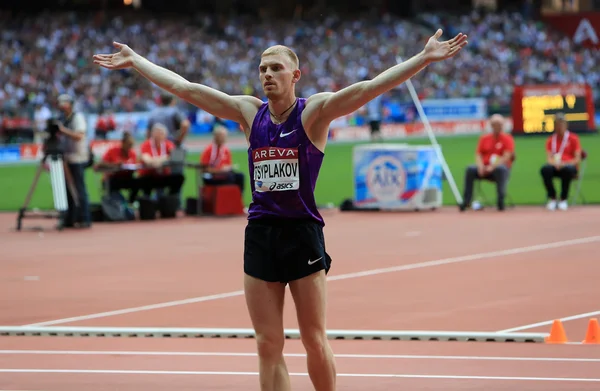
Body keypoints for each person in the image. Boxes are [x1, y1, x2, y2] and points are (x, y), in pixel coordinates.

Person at [93, 29, 467, 391]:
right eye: (262, 69)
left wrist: (423, 58)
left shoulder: (314, 113)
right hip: (260, 234)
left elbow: (368, 90)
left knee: (314, 340)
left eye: (275, 68)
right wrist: (137, 61)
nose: (267, 75)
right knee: (267, 343)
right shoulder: (248, 112)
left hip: (302, 233)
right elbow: (187, 89)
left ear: (295, 75)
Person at [459, 114, 515, 211]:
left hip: (498, 169)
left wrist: (492, 167)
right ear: (491, 125)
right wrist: (480, 166)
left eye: (499, 124)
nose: (497, 127)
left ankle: (500, 201)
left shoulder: (508, 139)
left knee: (501, 169)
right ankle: (466, 201)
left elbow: (507, 156)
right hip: (484, 168)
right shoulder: (484, 138)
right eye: (495, 124)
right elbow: (478, 154)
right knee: (470, 169)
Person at [56, 93, 92, 229]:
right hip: (66, 158)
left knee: (79, 188)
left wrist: (63, 131)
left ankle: (85, 218)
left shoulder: (78, 118)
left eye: (64, 103)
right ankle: (70, 218)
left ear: (70, 104)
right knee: (67, 189)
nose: (61, 106)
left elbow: (79, 136)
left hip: (78, 157)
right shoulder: (62, 119)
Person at [540, 113, 582, 211]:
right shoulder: (551, 140)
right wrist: (555, 164)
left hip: (569, 166)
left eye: (561, 124)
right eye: (557, 124)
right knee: (545, 170)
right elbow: (549, 157)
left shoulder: (573, 138)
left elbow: (577, 158)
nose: (559, 127)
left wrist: (565, 163)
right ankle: (553, 198)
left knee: (567, 170)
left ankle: (563, 199)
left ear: (566, 125)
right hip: (555, 165)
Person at [200, 125, 245, 195]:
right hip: (212, 176)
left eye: (225, 136)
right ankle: (226, 199)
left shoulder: (226, 150)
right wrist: (220, 170)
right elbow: (204, 169)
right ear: (216, 137)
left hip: (224, 174)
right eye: (222, 136)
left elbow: (228, 166)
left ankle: (238, 198)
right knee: (230, 178)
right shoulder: (208, 150)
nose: (225, 138)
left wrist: (229, 168)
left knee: (240, 176)